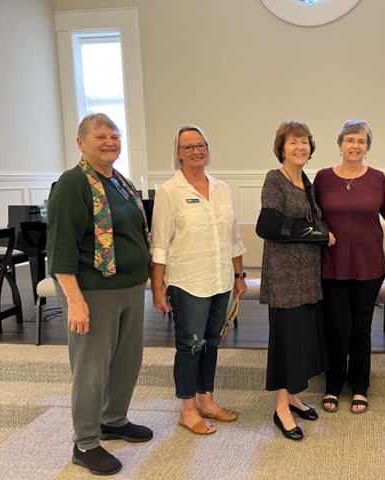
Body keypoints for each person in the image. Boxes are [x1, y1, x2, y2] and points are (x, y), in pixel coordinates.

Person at [46, 113, 153, 476]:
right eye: (100, 137)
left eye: (114, 136)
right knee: (91, 367)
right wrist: (75, 300)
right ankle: (86, 442)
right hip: (93, 290)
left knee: (127, 360)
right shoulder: (72, 184)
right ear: (81, 143)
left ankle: (114, 419)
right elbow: (60, 248)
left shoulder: (120, 182)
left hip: (129, 286)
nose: (109, 142)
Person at [150, 124, 247, 435]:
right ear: (178, 153)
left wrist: (238, 276)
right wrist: (157, 286)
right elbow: (160, 245)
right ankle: (187, 408)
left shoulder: (222, 188)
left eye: (201, 144)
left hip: (221, 281)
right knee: (190, 346)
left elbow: (233, 238)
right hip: (187, 282)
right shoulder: (169, 192)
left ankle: (207, 401)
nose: (196, 150)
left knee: (212, 343)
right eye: (188, 146)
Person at [259, 119, 332, 441]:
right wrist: (317, 233)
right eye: (293, 142)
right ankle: (280, 408)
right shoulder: (274, 180)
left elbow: (312, 221)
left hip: (307, 274)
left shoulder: (307, 181)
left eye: (304, 142)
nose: (300, 147)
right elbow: (269, 225)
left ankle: (293, 396)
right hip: (283, 275)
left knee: (302, 339)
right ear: (282, 148)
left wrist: (315, 230)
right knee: (286, 342)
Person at [313, 120, 385, 414]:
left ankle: (360, 387)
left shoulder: (380, 179)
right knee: (336, 327)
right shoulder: (322, 178)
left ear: (367, 147)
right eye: (350, 140)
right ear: (340, 144)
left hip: (369, 266)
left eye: (361, 141)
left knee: (361, 327)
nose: (355, 145)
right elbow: (312, 215)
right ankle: (333, 385)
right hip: (330, 266)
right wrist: (321, 232)